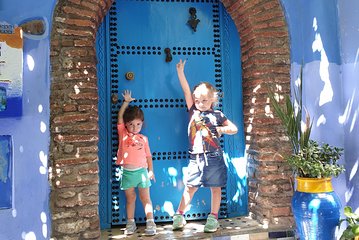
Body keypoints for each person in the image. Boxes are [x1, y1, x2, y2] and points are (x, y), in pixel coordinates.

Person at [172, 59, 238, 233]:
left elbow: (234, 129)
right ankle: (179, 215)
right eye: (198, 100)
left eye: (205, 100)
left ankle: (213, 217)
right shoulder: (193, 110)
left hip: (214, 156)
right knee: (190, 186)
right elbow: (186, 89)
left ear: (212, 100)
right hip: (196, 156)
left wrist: (221, 129)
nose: (201, 103)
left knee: (215, 188)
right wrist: (180, 72)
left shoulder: (217, 114)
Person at [116, 90, 156, 235]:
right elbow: (120, 116)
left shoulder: (143, 139)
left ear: (142, 124)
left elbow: (148, 156)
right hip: (127, 173)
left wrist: (150, 170)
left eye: (138, 124)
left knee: (146, 198)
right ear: (126, 125)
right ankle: (130, 223)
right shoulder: (123, 134)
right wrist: (126, 102)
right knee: (130, 199)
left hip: (142, 173)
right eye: (131, 124)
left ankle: (150, 222)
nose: (134, 127)